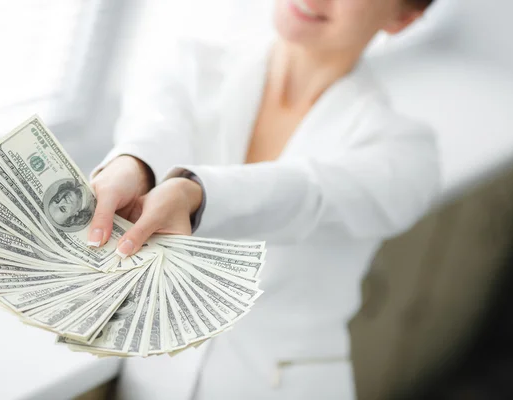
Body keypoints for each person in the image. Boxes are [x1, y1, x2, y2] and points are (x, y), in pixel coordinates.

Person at [89, 0, 440, 398]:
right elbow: (156, 127)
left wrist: (197, 193)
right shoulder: (188, 63)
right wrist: (133, 164)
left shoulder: (404, 153)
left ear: (402, 17)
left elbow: (309, 192)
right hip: (152, 382)